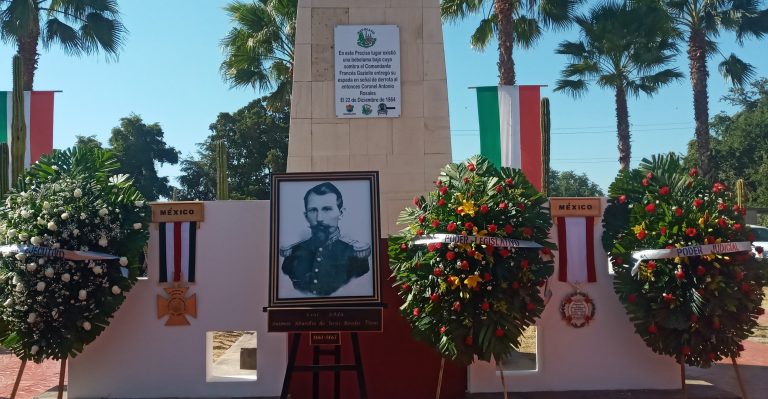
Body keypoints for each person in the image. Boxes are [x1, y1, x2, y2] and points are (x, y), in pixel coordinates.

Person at [280, 182, 370, 296]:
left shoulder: (354, 254)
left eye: (327, 209)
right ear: (306, 215)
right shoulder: (293, 254)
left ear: (341, 213)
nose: (319, 218)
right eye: (313, 210)